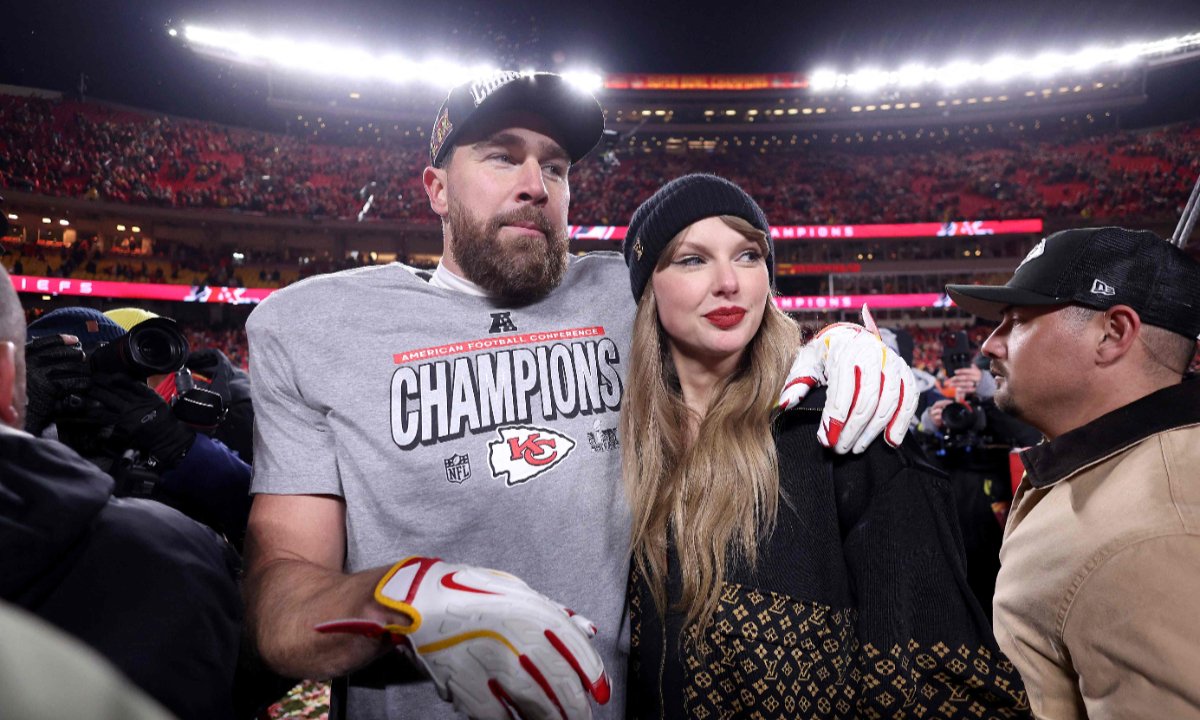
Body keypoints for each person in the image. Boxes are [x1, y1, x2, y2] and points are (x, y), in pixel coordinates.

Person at [243, 72, 916, 720]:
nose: (536, 186)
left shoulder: (626, 296)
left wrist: (830, 346)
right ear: (437, 188)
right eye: (502, 158)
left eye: (556, 167)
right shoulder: (314, 326)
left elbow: (740, 316)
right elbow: (280, 601)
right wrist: (399, 602)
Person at [620, 174, 1029, 719]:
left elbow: (942, 682)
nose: (728, 283)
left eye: (747, 255)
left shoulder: (850, 432)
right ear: (650, 286)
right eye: (693, 259)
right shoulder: (612, 440)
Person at [946, 226, 1200, 718]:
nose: (990, 346)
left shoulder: (1156, 533)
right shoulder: (1107, 466)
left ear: (1113, 333)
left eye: (1016, 321)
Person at [0, 265, 243, 720]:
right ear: (18, 375)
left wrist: (178, 445)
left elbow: (258, 517)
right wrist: (23, 421)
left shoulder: (153, 449)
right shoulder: (171, 544)